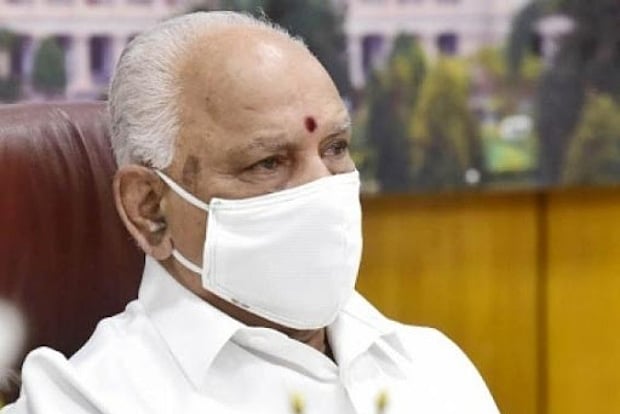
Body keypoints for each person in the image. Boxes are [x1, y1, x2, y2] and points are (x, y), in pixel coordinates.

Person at [2, 11, 498, 414]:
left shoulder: (431, 366)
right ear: (150, 208)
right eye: (268, 162)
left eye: (335, 147)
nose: (322, 189)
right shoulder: (85, 402)